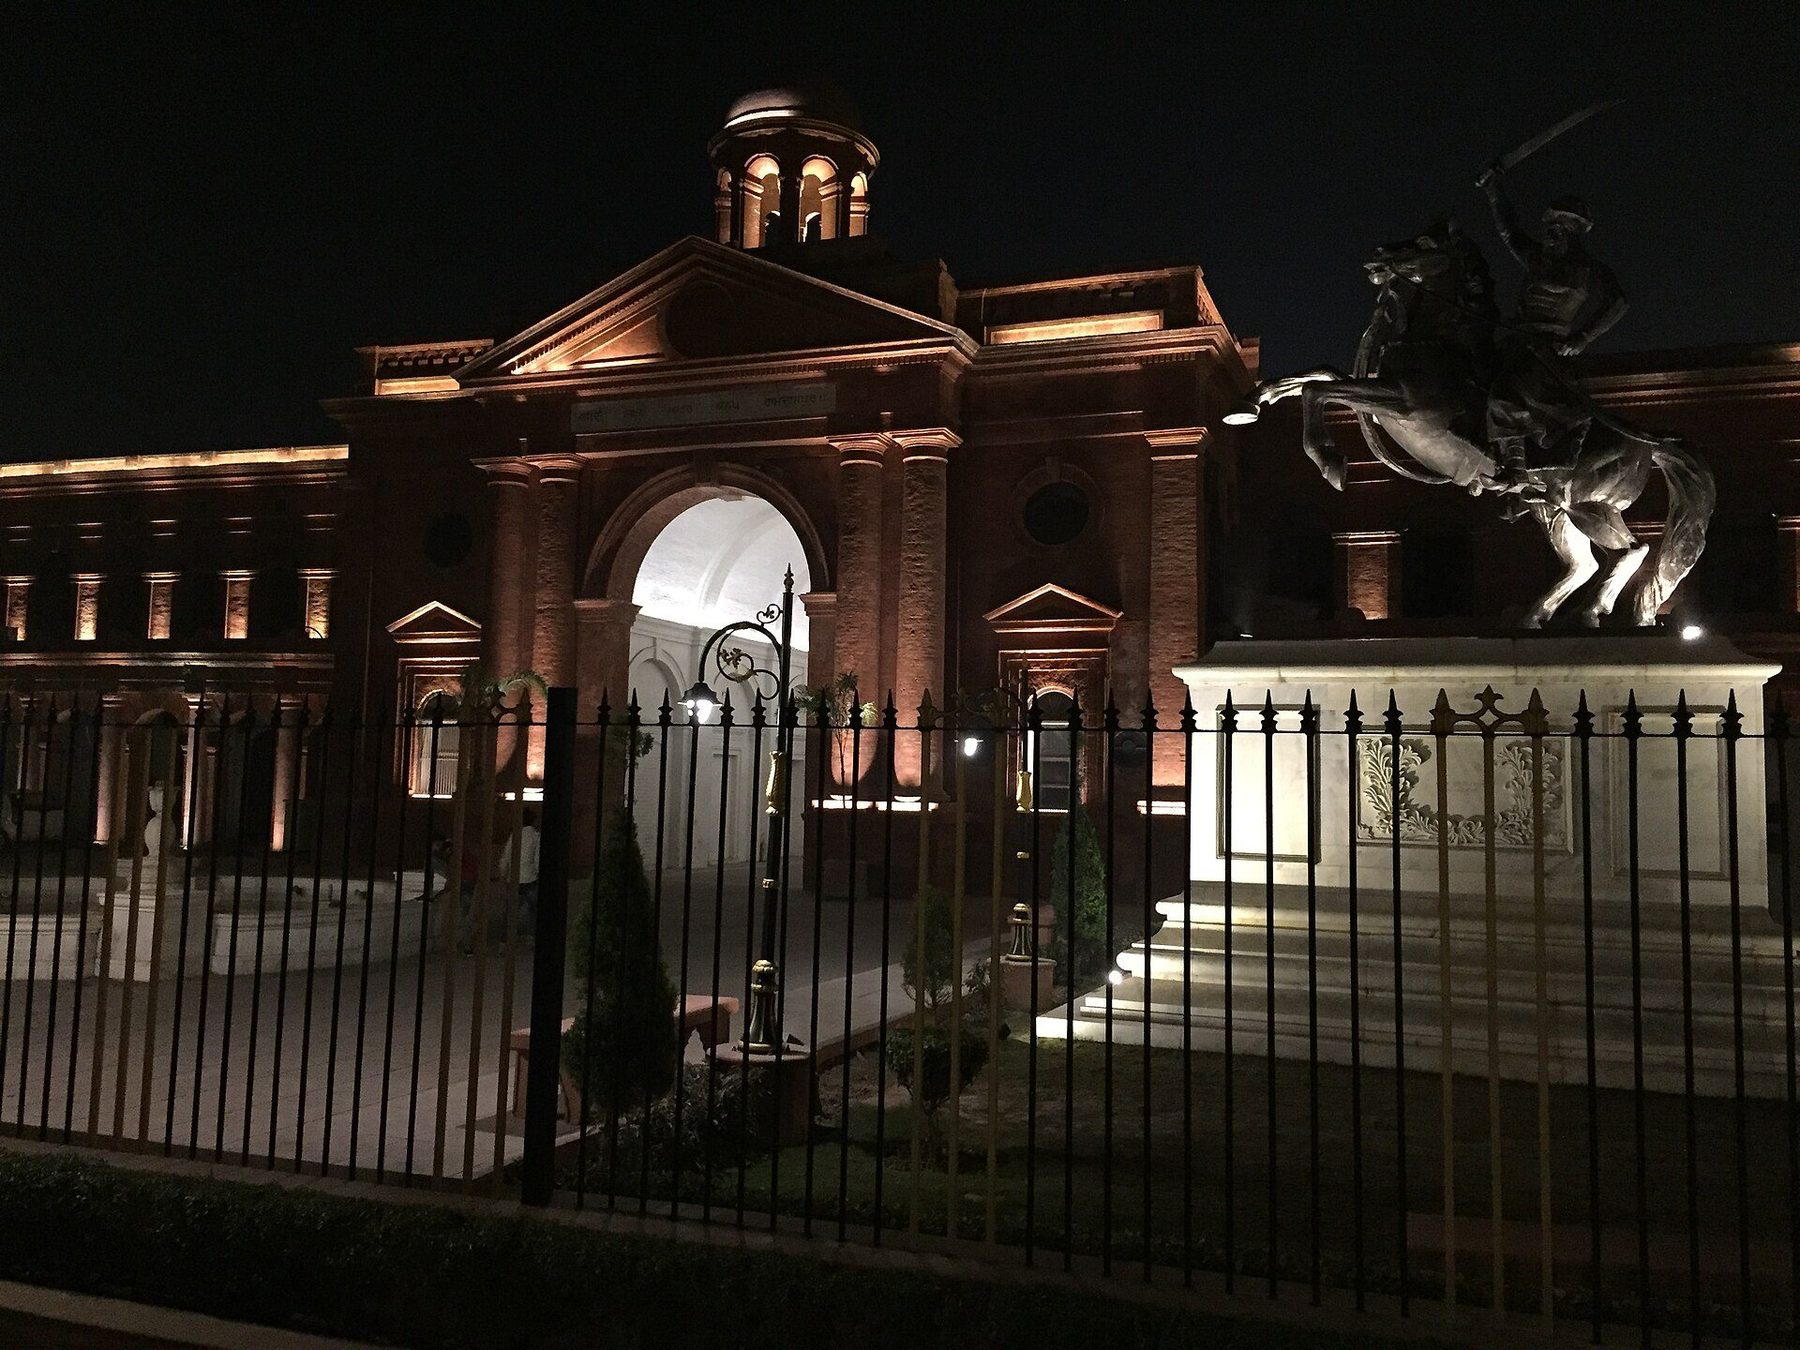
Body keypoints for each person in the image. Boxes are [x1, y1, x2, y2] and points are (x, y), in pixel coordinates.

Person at [1476, 167, 1628, 515]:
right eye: (1548, 228)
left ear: (1575, 231)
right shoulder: (1537, 260)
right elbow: (1509, 232)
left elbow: (1619, 302)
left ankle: (1515, 471)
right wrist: (1493, 191)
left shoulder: (1589, 269)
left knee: (1505, 395)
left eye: (1558, 227)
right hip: (1518, 340)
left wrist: (1583, 337)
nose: (1550, 233)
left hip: (1549, 350)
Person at [513, 806, 541, 936]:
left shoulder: (514, 835)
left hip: (514, 878)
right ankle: (531, 937)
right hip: (530, 878)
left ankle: (505, 939)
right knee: (533, 909)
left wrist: (503, 874)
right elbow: (537, 858)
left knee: (511, 908)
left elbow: (507, 856)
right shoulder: (535, 836)